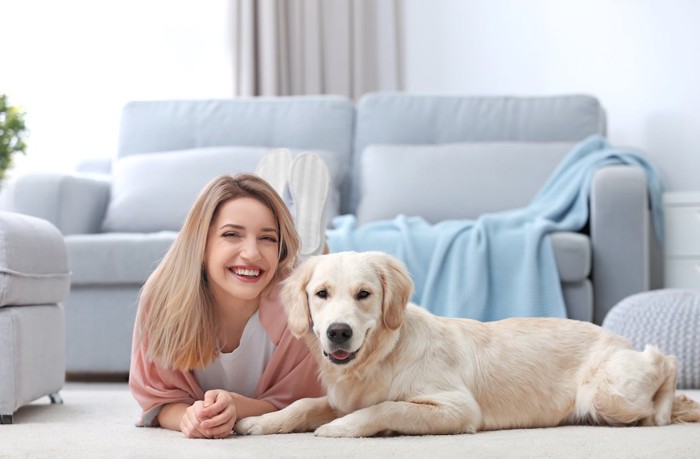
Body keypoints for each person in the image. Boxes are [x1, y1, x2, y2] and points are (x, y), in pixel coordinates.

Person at [129, 154, 330, 438]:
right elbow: (159, 400)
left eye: (268, 238)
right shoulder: (162, 299)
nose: (252, 252)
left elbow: (304, 403)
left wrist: (238, 406)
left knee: (328, 285)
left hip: (299, 288)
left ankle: (315, 247)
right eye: (232, 235)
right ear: (202, 241)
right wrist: (190, 417)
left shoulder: (297, 304)